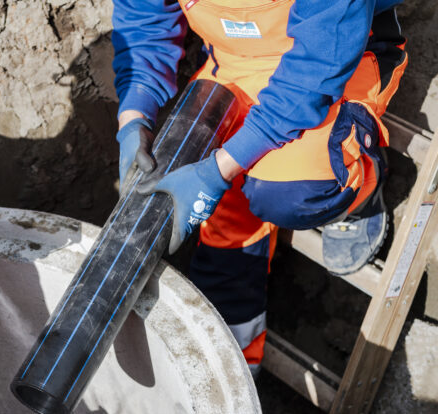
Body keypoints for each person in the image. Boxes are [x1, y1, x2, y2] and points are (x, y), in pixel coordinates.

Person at [113, 0, 407, 376]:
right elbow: (142, 23)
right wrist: (133, 115)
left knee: (293, 193)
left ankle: (360, 182)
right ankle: (235, 370)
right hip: (233, 63)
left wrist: (217, 170)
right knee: (224, 220)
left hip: (338, 60)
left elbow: (316, 70)